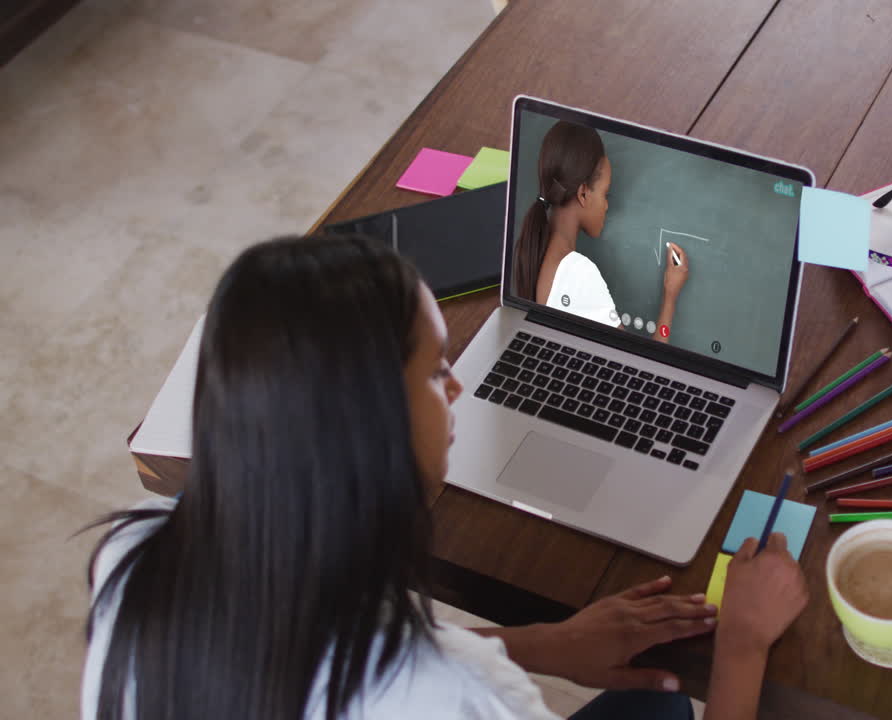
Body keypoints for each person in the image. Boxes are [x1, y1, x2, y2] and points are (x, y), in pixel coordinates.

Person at [82, 234, 808, 720]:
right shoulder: (454, 699)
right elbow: (421, 681)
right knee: (669, 701)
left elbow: (327, 657)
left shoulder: (136, 557)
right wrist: (742, 645)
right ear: (371, 430)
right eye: (435, 370)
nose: (458, 385)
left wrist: (543, 645)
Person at [514, 121, 688, 342]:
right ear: (583, 194)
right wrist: (670, 297)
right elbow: (635, 369)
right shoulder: (578, 271)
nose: (606, 206)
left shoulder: (540, 256)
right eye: (605, 194)